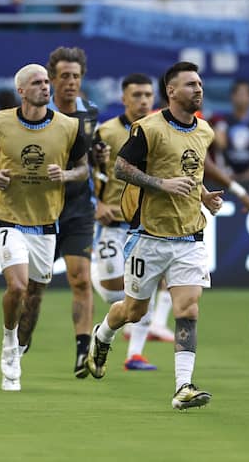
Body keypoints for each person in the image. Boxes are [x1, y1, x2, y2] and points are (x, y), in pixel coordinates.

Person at [86, 61, 224, 411]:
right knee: (133, 311)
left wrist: (204, 195)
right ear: (172, 91)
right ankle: (103, 335)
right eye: (190, 84)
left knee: (188, 310)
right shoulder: (148, 128)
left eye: (200, 83)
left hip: (190, 236)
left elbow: (189, 172)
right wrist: (161, 184)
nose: (199, 89)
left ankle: (183, 387)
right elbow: (121, 168)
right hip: (149, 236)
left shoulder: (205, 131)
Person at [0, 63, 89, 391]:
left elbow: (83, 168)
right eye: (37, 83)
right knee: (19, 286)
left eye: (47, 82)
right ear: (21, 90)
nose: (45, 87)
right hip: (9, 217)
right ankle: (9, 345)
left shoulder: (68, 127)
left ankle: (20, 348)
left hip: (47, 222)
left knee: (35, 294)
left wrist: (65, 175)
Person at [91, 73, 158, 371]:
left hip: (146, 226)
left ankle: (135, 354)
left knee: (148, 288)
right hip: (112, 225)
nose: (143, 100)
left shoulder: (160, 131)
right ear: (124, 99)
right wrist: (97, 203)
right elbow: (87, 174)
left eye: (148, 95)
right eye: (137, 95)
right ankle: (104, 321)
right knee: (112, 291)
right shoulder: (105, 133)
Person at [45, 47, 102, 378]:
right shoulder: (40, 113)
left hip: (79, 208)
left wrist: (100, 155)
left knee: (81, 279)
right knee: (31, 286)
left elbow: (94, 160)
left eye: (76, 76)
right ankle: (18, 342)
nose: (70, 82)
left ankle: (83, 352)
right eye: (64, 76)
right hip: (41, 209)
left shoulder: (90, 113)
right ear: (52, 79)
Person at [209, 81, 249, 181]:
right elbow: (219, 148)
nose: (240, 98)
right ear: (231, 97)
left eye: (244, 94)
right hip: (226, 177)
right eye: (237, 94)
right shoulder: (221, 121)